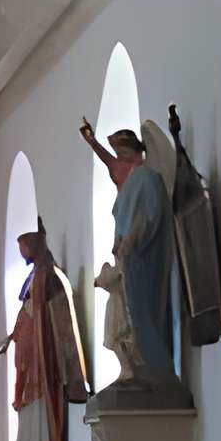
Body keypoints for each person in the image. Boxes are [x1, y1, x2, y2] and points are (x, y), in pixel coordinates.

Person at [80, 121, 180, 392]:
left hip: (144, 258)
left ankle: (153, 369)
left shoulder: (148, 178)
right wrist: (118, 242)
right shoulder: (130, 182)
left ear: (138, 152)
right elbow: (122, 218)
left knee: (143, 312)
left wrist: (130, 241)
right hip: (129, 258)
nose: (119, 160)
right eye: (118, 154)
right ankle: (136, 367)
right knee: (128, 314)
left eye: (124, 154)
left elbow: (148, 216)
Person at [4, 227, 89, 441]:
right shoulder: (35, 276)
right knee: (24, 388)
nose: (22, 253)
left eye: (24, 248)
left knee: (38, 387)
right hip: (29, 344)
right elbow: (27, 308)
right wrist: (15, 333)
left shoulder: (48, 275)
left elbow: (56, 316)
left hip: (42, 348)